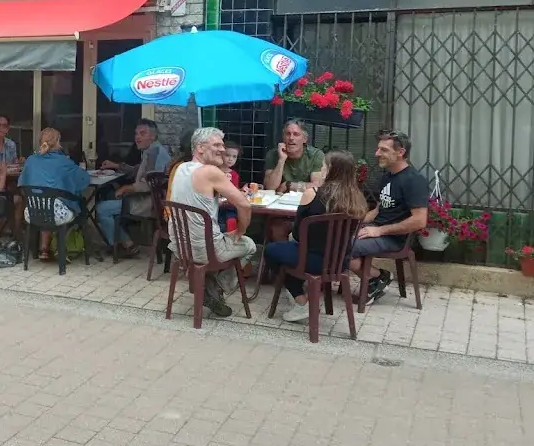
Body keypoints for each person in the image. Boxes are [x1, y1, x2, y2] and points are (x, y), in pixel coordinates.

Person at [264, 150, 368, 322]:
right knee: (289, 251)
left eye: (323, 167)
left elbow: (297, 234)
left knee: (272, 251)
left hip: (311, 260)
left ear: (330, 170)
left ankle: (300, 300)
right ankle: (300, 295)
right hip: (340, 262)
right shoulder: (357, 199)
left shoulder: (312, 194)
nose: (321, 170)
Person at [167, 127, 256, 318]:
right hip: (205, 250)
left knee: (219, 236)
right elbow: (245, 206)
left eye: (222, 145)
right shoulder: (210, 172)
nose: (222, 150)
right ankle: (217, 288)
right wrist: (240, 231)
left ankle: (208, 283)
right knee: (249, 245)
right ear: (200, 148)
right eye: (216, 145)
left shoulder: (181, 168)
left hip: (180, 247)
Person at [348, 130, 429, 304]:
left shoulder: (414, 180)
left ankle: (375, 278)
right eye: (378, 149)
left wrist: (379, 231)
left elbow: (420, 220)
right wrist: (354, 222)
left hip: (395, 238)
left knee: (344, 246)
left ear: (401, 152)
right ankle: (377, 278)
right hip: (378, 229)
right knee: (331, 238)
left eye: (384, 150)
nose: (377, 154)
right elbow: (378, 210)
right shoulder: (388, 176)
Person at [96, 119, 171, 258]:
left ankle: (125, 244)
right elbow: (139, 171)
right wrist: (117, 166)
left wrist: (125, 189)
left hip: (149, 204)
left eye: (142, 133)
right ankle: (124, 242)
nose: (137, 137)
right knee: (109, 197)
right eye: (136, 133)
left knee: (102, 209)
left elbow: (148, 183)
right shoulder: (152, 150)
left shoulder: (153, 154)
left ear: (153, 136)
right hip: (150, 201)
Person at [18, 127, 91, 262]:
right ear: (58, 142)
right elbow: (84, 180)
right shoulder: (63, 161)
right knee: (75, 207)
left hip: (31, 213)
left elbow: (22, 184)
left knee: (48, 203)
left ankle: (44, 248)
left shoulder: (31, 160)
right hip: (57, 214)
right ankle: (59, 248)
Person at [263, 120, 325, 192]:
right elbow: (269, 187)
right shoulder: (273, 154)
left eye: (296, 134)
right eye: (288, 134)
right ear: (283, 138)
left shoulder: (316, 155)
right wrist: (281, 160)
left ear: (304, 139)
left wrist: (288, 185)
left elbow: (317, 186)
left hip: (305, 199)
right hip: (279, 200)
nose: (291, 138)